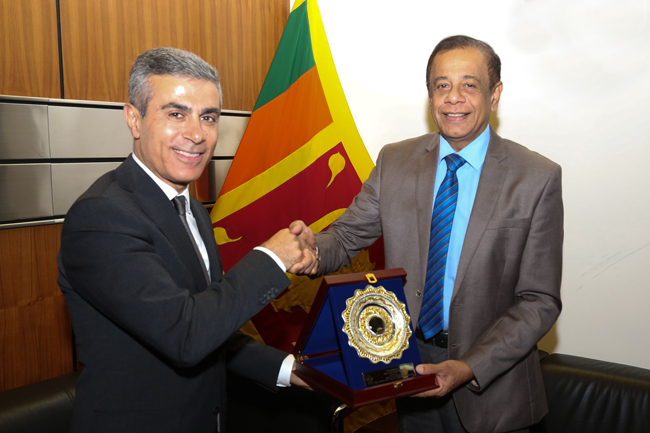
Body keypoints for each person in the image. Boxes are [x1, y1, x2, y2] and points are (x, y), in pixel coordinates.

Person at [292, 35, 563, 433]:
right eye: (442, 85)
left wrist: (468, 367)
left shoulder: (536, 177)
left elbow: (539, 301)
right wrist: (312, 250)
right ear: (430, 95)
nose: (453, 97)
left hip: (494, 394)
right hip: (410, 374)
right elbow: (347, 237)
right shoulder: (395, 160)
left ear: (495, 94)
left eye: (469, 84)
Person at [58, 47, 315, 433]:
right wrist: (270, 258)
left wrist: (286, 369)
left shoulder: (191, 209)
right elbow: (186, 334)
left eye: (208, 117)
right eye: (176, 113)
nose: (196, 134)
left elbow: (213, 327)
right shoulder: (100, 217)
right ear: (134, 119)